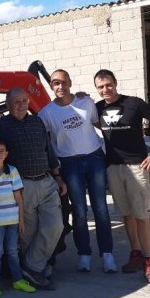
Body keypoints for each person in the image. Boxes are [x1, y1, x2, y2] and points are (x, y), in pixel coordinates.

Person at [0, 87, 67, 289]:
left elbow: (49, 151)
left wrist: (57, 176)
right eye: (16, 102)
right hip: (22, 186)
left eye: (24, 101)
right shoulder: (1, 126)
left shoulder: (37, 122)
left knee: (55, 225)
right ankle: (35, 270)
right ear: (8, 105)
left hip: (46, 182)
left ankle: (30, 268)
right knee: (28, 233)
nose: (21, 105)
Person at [93, 69, 150, 283]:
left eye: (108, 85)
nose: (105, 89)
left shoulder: (134, 103)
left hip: (137, 166)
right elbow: (94, 123)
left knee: (142, 217)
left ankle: (149, 261)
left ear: (115, 84)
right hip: (113, 168)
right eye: (100, 87)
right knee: (126, 215)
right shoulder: (97, 108)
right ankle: (135, 254)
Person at [38, 69, 116, 273]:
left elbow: (99, 125)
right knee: (80, 212)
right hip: (69, 164)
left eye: (63, 82)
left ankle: (107, 254)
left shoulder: (86, 102)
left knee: (101, 209)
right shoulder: (46, 113)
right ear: (51, 86)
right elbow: (43, 142)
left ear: (70, 82)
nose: (60, 86)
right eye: (55, 83)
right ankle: (85, 255)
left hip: (94, 158)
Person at [0, 138, 37, 298]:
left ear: (7, 154)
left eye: (1, 151)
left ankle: (17, 280)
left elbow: (19, 198)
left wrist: (21, 220)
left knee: (12, 251)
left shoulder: (13, 172)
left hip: (12, 220)